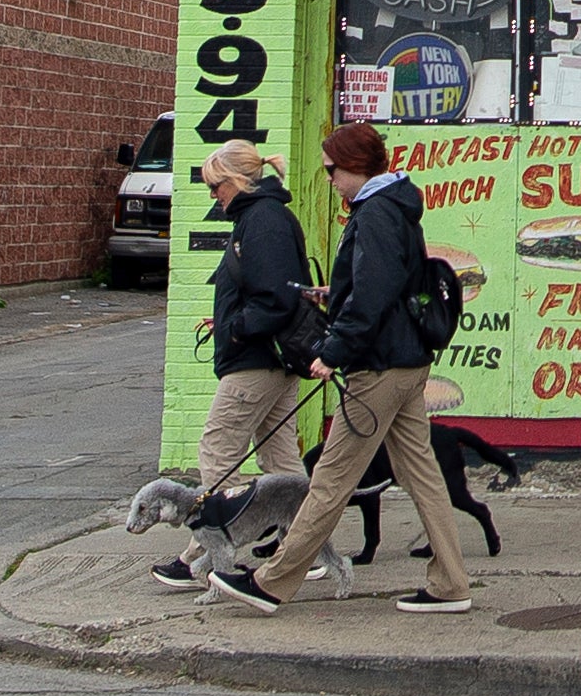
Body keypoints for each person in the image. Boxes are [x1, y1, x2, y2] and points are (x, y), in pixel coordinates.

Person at [208, 121, 474, 615]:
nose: (328, 177)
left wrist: (332, 352)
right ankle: (451, 582)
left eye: (332, 169)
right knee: (421, 473)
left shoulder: (374, 214)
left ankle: (272, 581)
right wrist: (340, 295)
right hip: (408, 360)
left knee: (330, 480)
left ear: (354, 167)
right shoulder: (398, 205)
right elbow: (388, 284)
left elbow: (373, 296)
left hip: (378, 366)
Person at [154, 140, 311, 590]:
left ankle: (209, 552)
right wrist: (226, 318)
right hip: (272, 358)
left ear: (238, 180)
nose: (212, 195)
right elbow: (272, 289)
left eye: (214, 185)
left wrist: (237, 326)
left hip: (255, 359)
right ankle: (301, 550)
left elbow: (276, 296)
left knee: (219, 451)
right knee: (280, 460)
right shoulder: (266, 216)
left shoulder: (261, 221)